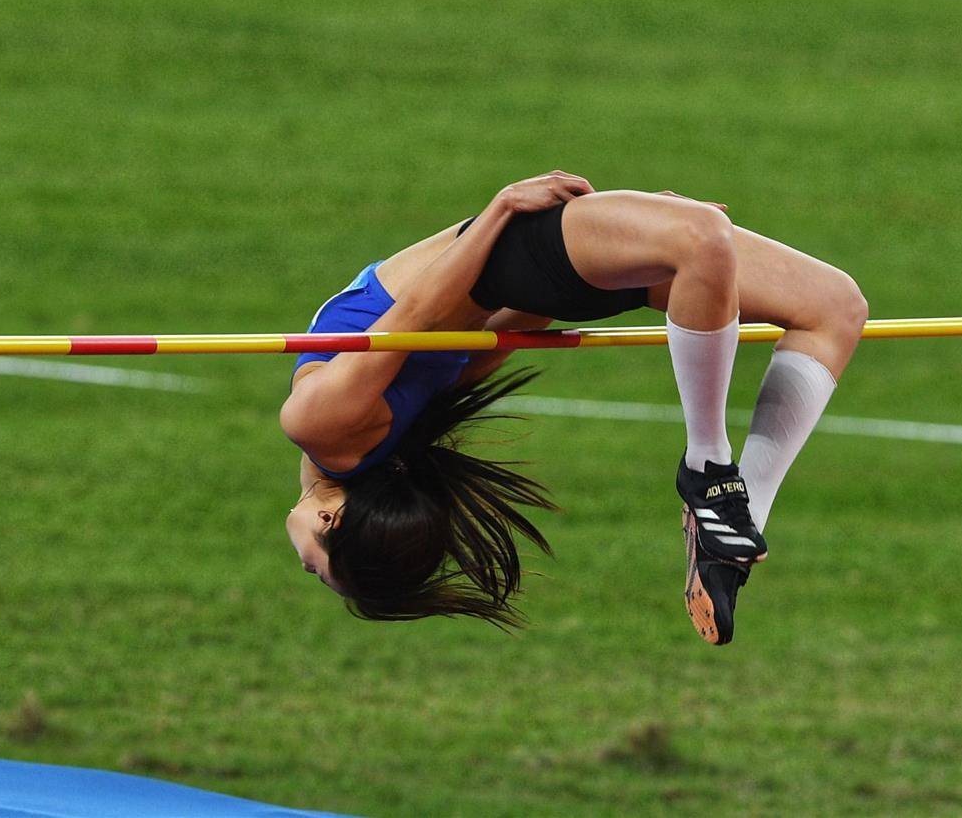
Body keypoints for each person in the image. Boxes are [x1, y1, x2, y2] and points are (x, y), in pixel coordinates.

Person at [281, 171, 867, 644]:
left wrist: (640, 239)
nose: (303, 560)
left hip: (539, 272)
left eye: (314, 569)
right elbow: (418, 318)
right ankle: (708, 469)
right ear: (331, 522)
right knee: (707, 240)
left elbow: (473, 330)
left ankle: (735, 522)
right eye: (312, 566)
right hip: (524, 255)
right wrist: (502, 208)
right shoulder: (320, 428)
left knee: (834, 308)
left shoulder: (362, 440)